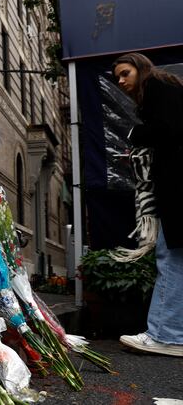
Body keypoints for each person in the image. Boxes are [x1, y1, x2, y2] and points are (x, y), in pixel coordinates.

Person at [113, 52, 183, 357]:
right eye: (117, 77)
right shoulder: (167, 88)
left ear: (141, 69)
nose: (121, 81)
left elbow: (169, 129)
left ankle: (166, 335)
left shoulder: (156, 86)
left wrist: (134, 135)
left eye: (125, 73)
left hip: (179, 187)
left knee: (170, 258)